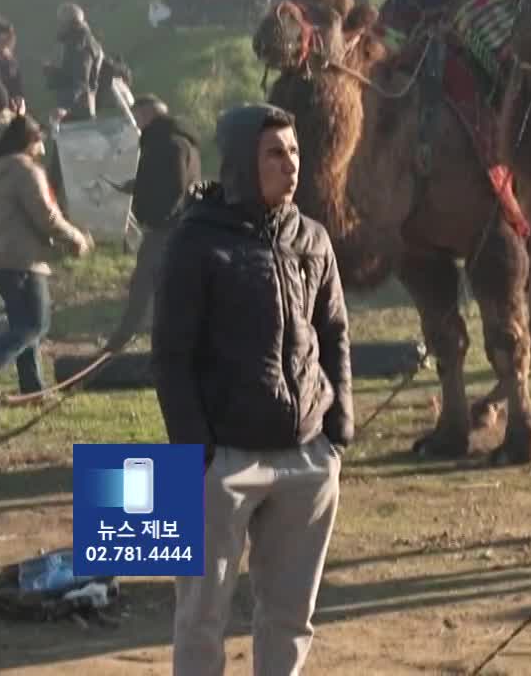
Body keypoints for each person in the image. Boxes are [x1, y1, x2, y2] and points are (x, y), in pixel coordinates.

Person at [154, 103, 350, 676]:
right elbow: (170, 356)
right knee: (199, 615)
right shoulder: (195, 241)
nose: (291, 164)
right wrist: (197, 454)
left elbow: (335, 332)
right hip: (222, 462)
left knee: (291, 615)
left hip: (307, 459)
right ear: (243, 161)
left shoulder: (311, 237)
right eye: (274, 153)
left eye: (294, 151)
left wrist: (338, 432)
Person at [0, 115, 94, 395]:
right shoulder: (26, 170)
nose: (43, 150)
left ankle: (32, 388)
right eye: (41, 142)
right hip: (24, 259)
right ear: (30, 140)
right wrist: (76, 237)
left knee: (22, 325)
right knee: (36, 325)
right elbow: (47, 215)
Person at [105, 95, 200, 351]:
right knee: (164, 290)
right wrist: (136, 186)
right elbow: (163, 180)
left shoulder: (168, 143)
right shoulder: (177, 140)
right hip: (179, 226)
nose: (136, 123)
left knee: (142, 288)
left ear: (148, 114)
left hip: (166, 228)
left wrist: (160, 218)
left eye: (137, 117)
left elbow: (176, 186)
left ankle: (116, 346)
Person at [42, 2, 105, 121]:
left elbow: (81, 78)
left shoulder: (78, 44)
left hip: (77, 108)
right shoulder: (85, 40)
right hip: (82, 103)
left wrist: (65, 107)